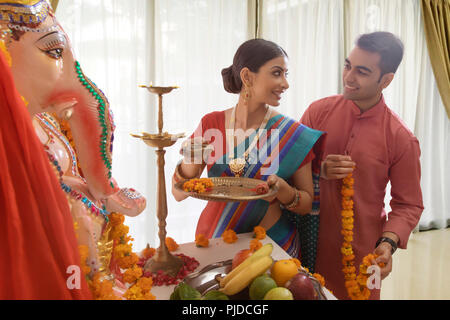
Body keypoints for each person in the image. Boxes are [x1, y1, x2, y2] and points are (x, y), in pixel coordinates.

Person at [171, 39, 325, 259]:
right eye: (276, 73)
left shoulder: (292, 134)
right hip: (214, 242)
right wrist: (191, 157)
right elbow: (178, 193)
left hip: (272, 248)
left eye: (285, 74)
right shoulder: (211, 124)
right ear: (247, 77)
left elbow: (307, 203)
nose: (285, 83)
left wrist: (282, 190)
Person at [300, 31, 424, 300]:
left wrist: (389, 242)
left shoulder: (401, 138)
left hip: (365, 253)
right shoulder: (317, 112)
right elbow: (287, 170)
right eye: (348, 65)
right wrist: (317, 170)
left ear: (386, 80)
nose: (348, 77)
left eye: (362, 71)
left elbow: (408, 204)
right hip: (306, 243)